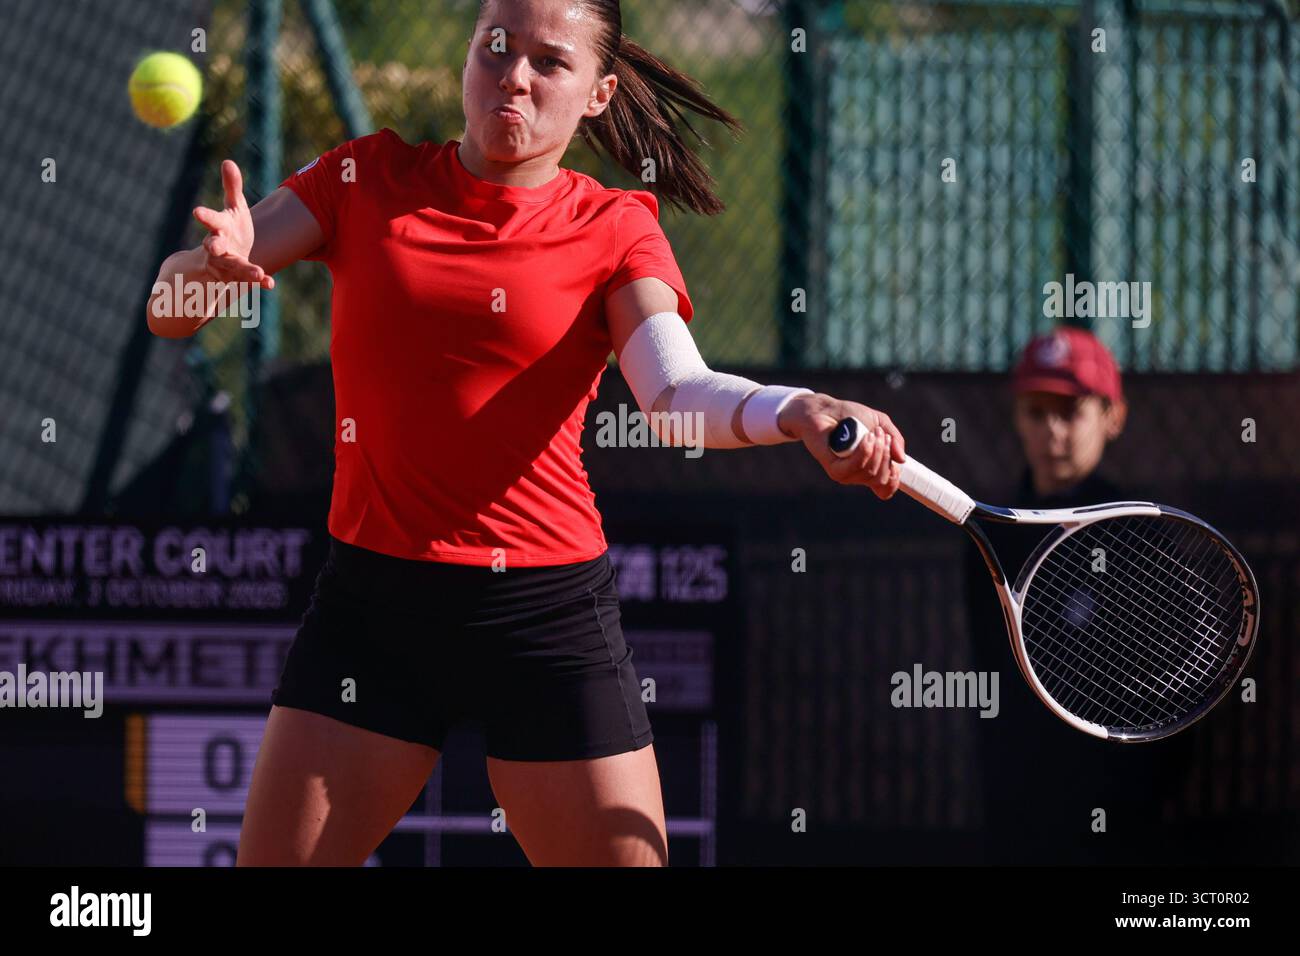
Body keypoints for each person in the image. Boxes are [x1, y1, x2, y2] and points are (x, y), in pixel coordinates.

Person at [146, 0, 907, 867]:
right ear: (469, 54)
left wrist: (797, 408)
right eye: (496, 49)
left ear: (598, 93)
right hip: (375, 610)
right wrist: (205, 275)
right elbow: (168, 316)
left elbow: (674, 390)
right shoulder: (364, 178)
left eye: (551, 62)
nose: (514, 76)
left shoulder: (616, 226)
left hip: (546, 618)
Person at [966, 326, 1190, 863]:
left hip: (1118, 814)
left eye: (1070, 412)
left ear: (1113, 417)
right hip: (1017, 811)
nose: (1053, 432)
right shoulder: (991, 534)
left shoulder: (1143, 537)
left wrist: (1134, 794)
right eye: (1036, 412)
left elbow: (1176, 688)